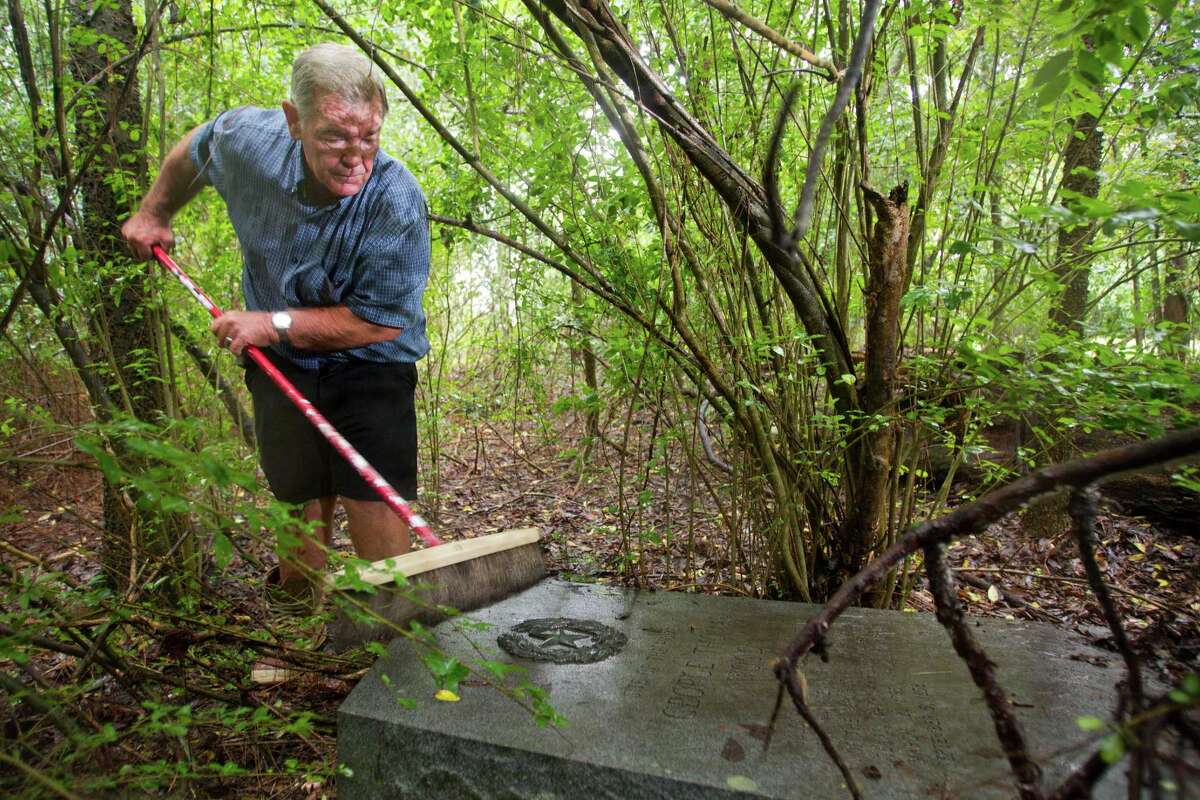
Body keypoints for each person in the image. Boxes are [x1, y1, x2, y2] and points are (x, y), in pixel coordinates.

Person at [122, 42, 430, 612]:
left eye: (369, 136)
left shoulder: (396, 201)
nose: (355, 157)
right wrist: (154, 211)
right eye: (334, 137)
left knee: (373, 496)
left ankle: (395, 631)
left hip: (371, 361)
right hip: (279, 361)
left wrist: (274, 323)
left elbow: (381, 322)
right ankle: (298, 623)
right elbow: (198, 146)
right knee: (297, 494)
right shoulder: (249, 141)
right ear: (293, 121)